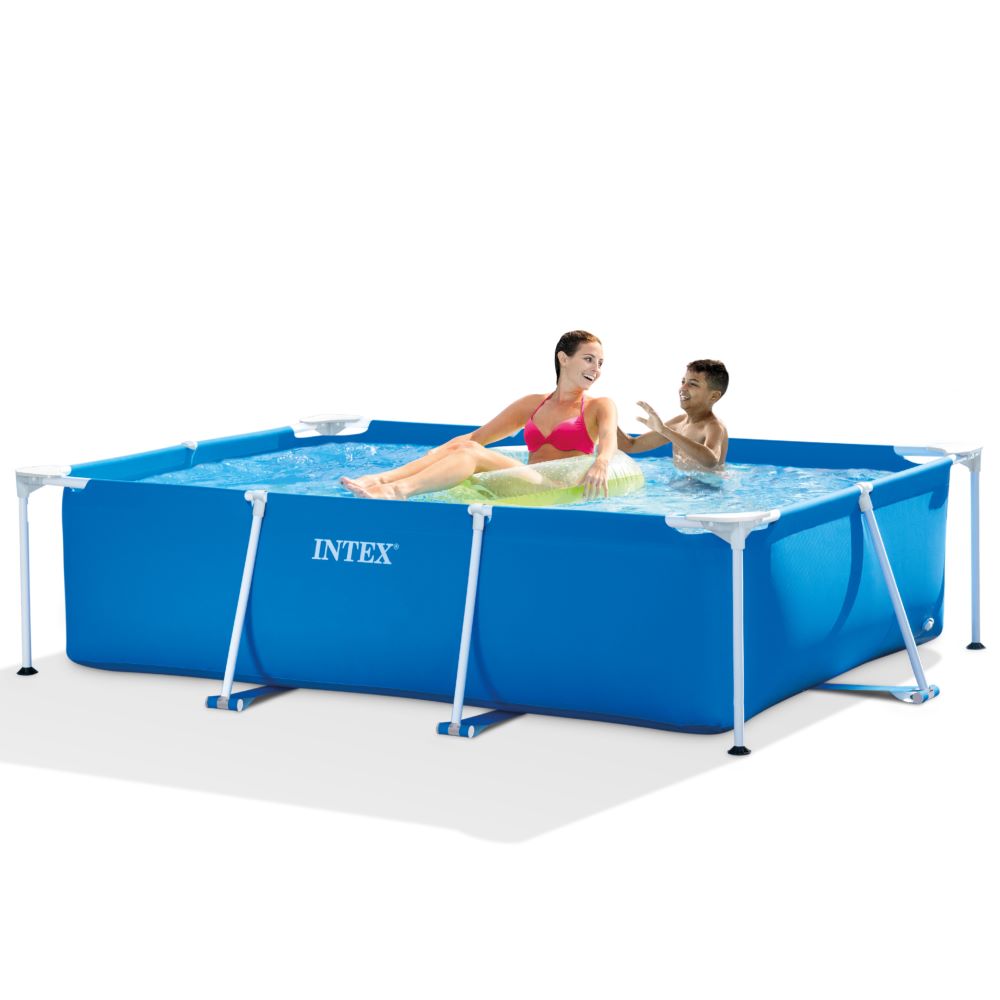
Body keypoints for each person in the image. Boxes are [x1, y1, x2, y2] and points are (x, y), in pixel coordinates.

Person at [340, 331, 619, 499]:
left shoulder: (600, 406)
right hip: (528, 478)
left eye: (600, 363)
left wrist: (602, 462)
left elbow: (609, 441)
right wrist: (439, 453)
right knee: (465, 446)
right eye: (588, 359)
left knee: (471, 453)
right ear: (563, 358)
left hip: (556, 488)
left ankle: (398, 491)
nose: (596, 369)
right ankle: (379, 480)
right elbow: (477, 437)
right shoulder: (532, 404)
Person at [617, 359, 729, 470]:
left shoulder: (713, 426)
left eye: (693, 384)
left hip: (708, 482)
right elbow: (630, 445)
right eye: (683, 382)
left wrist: (665, 430)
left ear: (714, 396)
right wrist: (607, 417)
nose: (682, 388)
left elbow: (711, 461)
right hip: (680, 481)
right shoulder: (679, 422)